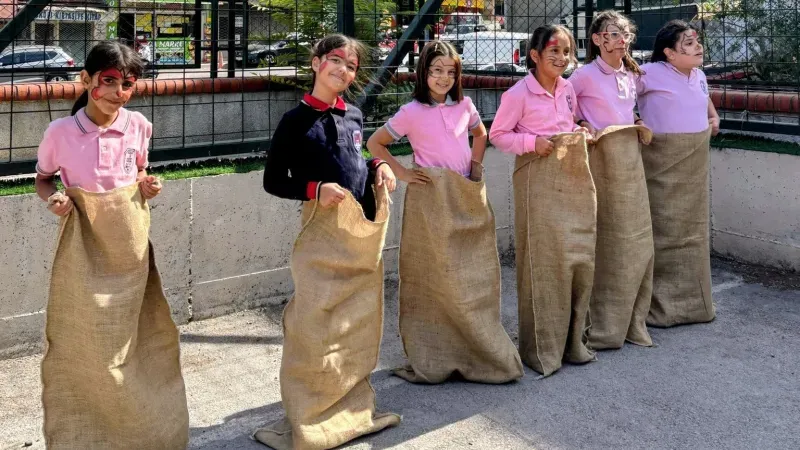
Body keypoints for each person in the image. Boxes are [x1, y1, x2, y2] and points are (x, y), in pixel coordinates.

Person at [35, 40, 188, 448]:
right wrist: (54, 197)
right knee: (91, 340)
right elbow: (43, 178)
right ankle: (90, 429)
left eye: (128, 84)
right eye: (109, 81)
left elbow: (140, 172)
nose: (118, 93)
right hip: (85, 248)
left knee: (135, 337)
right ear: (86, 80)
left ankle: (142, 427)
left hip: (132, 248)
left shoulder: (138, 125)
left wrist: (149, 185)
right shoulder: (60, 132)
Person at [254, 34, 400, 450]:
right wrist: (315, 188)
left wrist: (380, 167)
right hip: (321, 232)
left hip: (360, 233)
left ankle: (350, 409)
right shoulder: (295, 120)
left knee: (355, 323)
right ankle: (309, 415)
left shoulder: (352, 113)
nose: (343, 70)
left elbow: (355, 159)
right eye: (335, 60)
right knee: (315, 325)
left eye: (351, 66)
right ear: (316, 63)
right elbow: (272, 180)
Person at [366, 40, 524, 385]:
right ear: (424, 72)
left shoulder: (465, 105)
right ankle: (435, 352)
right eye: (436, 70)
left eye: (450, 72)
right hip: (430, 199)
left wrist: (475, 166)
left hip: (464, 192)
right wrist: (403, 173)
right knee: (435, 274)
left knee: (469, 273)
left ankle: (475, 347)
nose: (443, 78)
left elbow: (480, 134)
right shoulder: (411, 112)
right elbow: (374, 143)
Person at [490, 25, 596, 377]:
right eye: (553, 51)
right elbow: (499, 135)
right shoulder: (518, 93)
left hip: (568, 181)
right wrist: (531, 143)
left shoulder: (567, 89)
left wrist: (579, 130)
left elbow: (572, 119)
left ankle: (570, 342)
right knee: (541, 258)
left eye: (567, 52)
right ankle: (541, 349)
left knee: (569, 255)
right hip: (536, 181)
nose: (561, 58)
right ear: (533, 56)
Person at [568, 10, 655, 350]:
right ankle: (600, 318)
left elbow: (628, 109)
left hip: (629, 163)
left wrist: (637, 121)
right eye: (613, 33)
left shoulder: (632, 73)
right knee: (606, 232)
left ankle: (631, 317)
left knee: (632, 236)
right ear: (596, 40)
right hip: (600, 163)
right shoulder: (583, 76)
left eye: (624, 34)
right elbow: (566, 107)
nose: (621, 39)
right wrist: (581, 124)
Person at [636, 20, 719, 327]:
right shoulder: (648, 73)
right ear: (669, 53)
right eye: (688, 43)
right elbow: (618, 95)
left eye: (696, 41)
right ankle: (659, 307)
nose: (697, 46)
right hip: (662, 164)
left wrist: (712, 115)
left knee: (693, 232)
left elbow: (703, 96)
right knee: (664, 229)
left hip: (694, 165)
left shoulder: (698, 74)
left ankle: (695, 306)